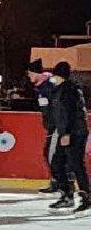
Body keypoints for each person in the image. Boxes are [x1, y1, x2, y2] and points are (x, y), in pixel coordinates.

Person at [47, 61, 89, 213]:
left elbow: (72, 114)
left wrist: (67, 134)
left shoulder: (70, 90)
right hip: (66, 132)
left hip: (75, 133)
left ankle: (86, 197)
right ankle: (67, 195)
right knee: (57, 163)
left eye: (55, 75)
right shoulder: (59, 90)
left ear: (60, 75)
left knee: (76, 165)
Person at [27, 59, 60, 194]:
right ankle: (57, 182)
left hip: (57, 126)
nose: (29, 77)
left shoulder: (49, 86)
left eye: (30, 74)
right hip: (52, 126)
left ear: (36, 73)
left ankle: (59, 183)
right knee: (52, 154)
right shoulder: (42, 87)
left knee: (51, 154)